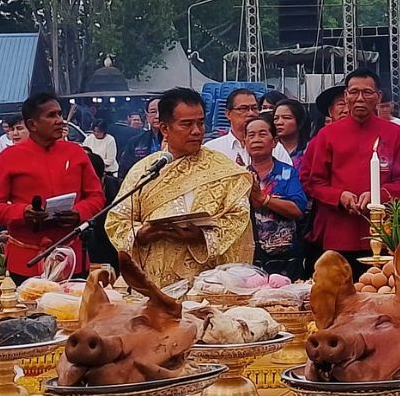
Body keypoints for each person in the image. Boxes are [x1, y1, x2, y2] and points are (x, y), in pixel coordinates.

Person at [105, 87, 254, 286]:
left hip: (207, 288)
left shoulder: (226, 171)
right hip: (155, 288)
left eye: (201, 123)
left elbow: (239, 221)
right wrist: (141, 233)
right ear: (165, 128)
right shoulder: (144, 170)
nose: (197, 131)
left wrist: (202, 237)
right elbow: (117, 221)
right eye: (187, 124)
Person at [297, 68, 400, 275]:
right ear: (346, 96)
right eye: (354, 92)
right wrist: (339, 196)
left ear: (378, 97)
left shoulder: (394, 133)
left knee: (381, 298)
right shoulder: (328, 135)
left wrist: (377, 196)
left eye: (367, 93)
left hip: (382, 232)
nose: (360, 98)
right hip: (339, 232)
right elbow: (313, 183)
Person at [0, 91, 105, 280]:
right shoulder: (7, 158)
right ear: (32, 125)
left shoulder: (76, 153)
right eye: (51, 115)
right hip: (27, 261)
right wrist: (23, 212)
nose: (60, 121)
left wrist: (78, 213)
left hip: (72, 257)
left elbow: (97, 197)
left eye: (59, 114)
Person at [241, 112, 310, 278]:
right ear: (245, 143)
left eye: (263, 134)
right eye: (251, 135)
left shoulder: (287, 173)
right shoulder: (239, 176)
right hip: (250, 257)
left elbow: (298, 210)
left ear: (275, 142)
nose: (256, 139)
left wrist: (264, 200)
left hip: (285, 257)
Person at [204, 87, 264, 165]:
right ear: (228, 114)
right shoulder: (212, 149)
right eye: (243, 109)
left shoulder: (273, 147)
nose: (251, 113)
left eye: (254, 108)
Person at [271, 98, 309, 167]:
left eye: (286, 117)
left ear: (300, 121)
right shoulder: (269, 148)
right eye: (276, 118)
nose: (279, 122)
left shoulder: (310, 149)